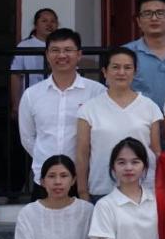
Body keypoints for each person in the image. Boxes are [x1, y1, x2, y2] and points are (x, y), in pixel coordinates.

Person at [19, 28, 105, 198]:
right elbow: (28, 138)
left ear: (79, 55)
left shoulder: (97, 92)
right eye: (55, 50)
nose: (62, 55)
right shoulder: (32, 94)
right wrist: (46, 160)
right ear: (47, 55)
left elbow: (101, 135)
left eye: (68, 50)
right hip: (45, 179)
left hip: (84, 179)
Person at [76, 47, 162, 200]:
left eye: (127, 67)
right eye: (115, 67)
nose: (121, 72)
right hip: (102, 189)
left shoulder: (150, 107)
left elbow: (156, 151)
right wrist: (82, 191)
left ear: (135, 72)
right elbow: (82, 153)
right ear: (105, 72)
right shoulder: (89, 108)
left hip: (142, 191)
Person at [10, 7, 58, 112]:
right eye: (44, 21)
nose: (49, 24)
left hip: (57, 100)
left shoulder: (62, 45)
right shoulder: (24, 46)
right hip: (31, 101)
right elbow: (15, 75)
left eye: (53, 21)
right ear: (36, 25)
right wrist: (16, 104)